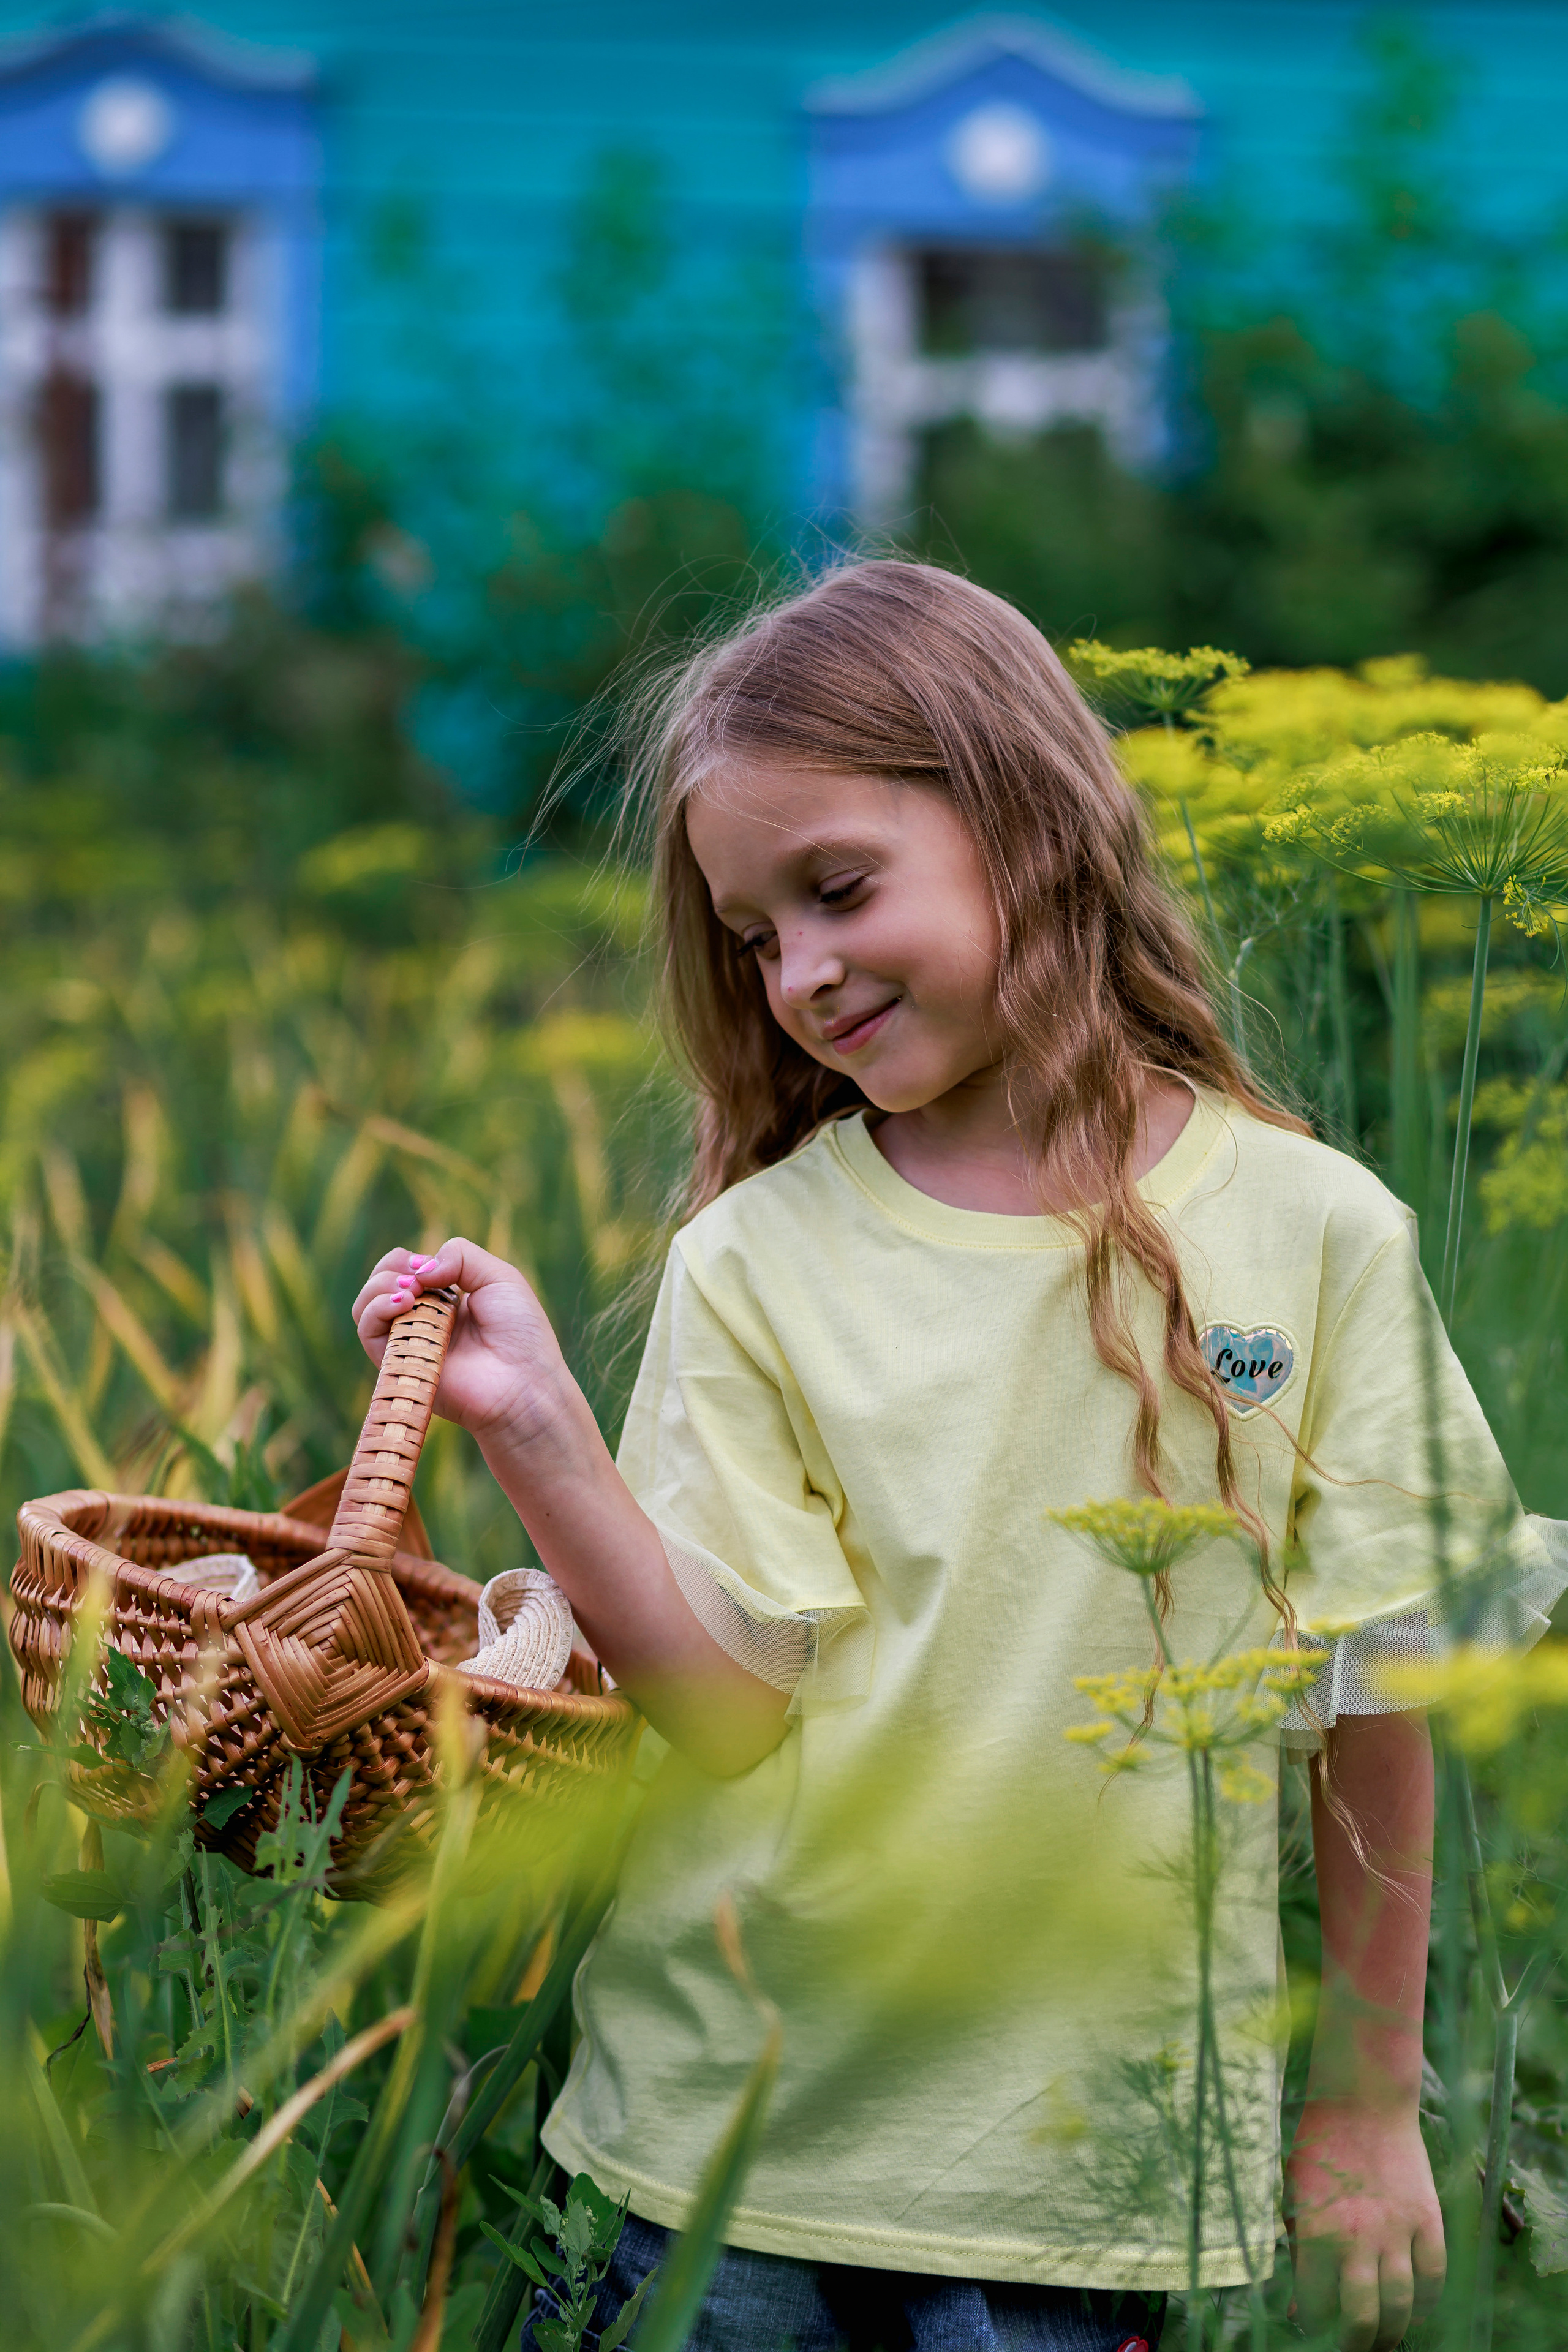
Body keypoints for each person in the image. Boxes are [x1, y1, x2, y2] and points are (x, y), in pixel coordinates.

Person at [353, 562, 1564, 2352]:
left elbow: (1395, 1681)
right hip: (727, 2145)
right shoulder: (755, 1260)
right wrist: (537, 1430)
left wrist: (1369, 2103)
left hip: (1086, 2174)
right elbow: (728, 1706)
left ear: (1031, 818)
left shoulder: (1319, 1234)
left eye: (838, 892)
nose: (804, 972)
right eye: (758, 937)